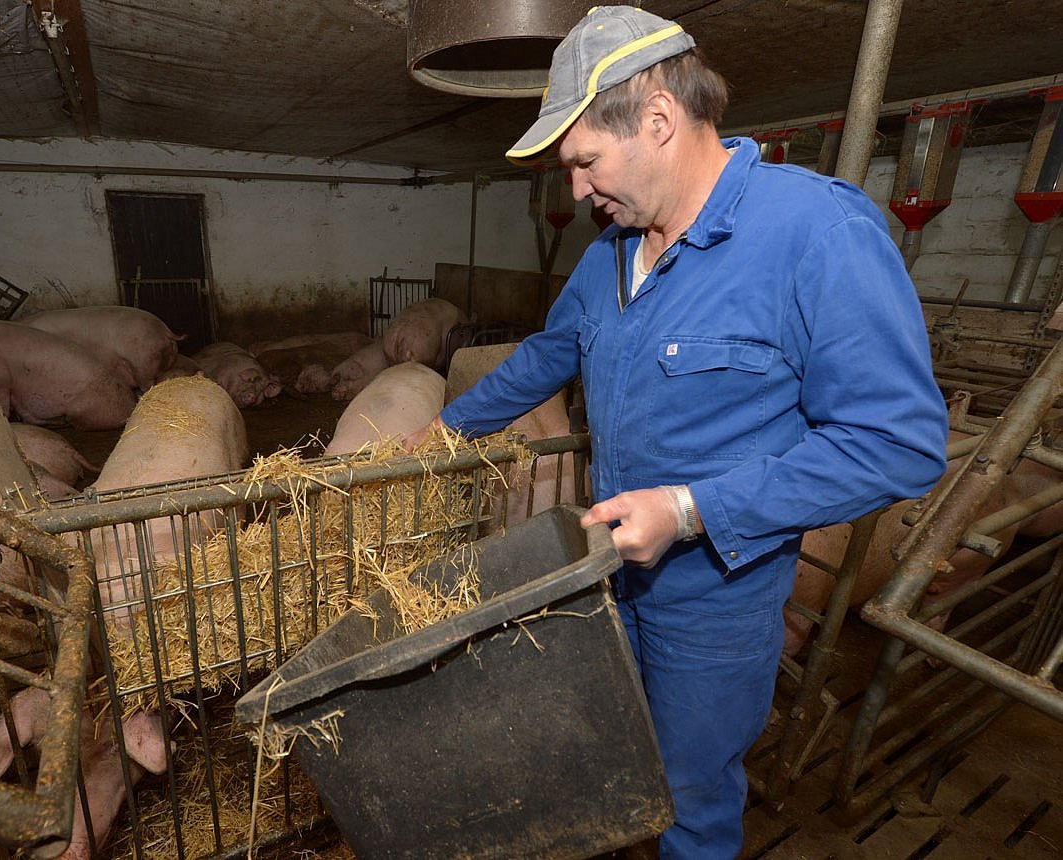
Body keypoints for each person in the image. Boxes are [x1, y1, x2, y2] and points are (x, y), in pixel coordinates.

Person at [406, 6, 949, 858]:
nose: (576, 189)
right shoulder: (608, 256)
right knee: (612, 760)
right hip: (605, 573)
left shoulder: (815, 233)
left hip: (716, 598)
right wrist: (438, 434)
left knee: (691, 800)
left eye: (584, 162)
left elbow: (900, 442)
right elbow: (546, 356)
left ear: (658, 120)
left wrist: (689, 510)